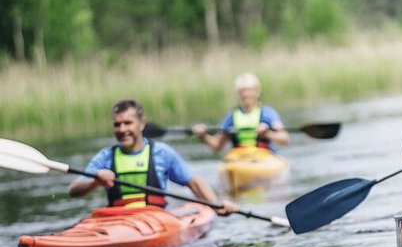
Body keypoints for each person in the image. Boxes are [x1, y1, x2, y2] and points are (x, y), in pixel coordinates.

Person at [68, 99, 238, 214]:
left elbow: (194, 182)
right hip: (117, 220)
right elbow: (74, 190)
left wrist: (216, 206)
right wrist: (95, 181)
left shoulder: (162, 153)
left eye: (127, 123)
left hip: (154, 219)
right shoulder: (105, 157)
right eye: (117, 124)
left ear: (142, 124)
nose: (122, 129)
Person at [193, 72, 289, 152]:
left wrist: (267, 133)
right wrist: (203, 136)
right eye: (242, 91)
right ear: (238, 94)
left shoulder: (268, 113)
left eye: (249, 90)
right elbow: (217, 146)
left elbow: (284, 139)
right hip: (239, 159)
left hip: (264, 157)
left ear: (257, 91)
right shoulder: (231, 117)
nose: (246, 94)